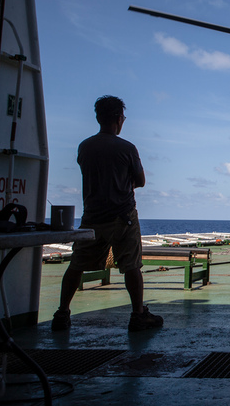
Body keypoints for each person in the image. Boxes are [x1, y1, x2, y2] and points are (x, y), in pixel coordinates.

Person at [51, 96, 163, 332]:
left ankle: (62, 313)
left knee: (76, 265)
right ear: (119, 119)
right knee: (132, 266)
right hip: (123, 216)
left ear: (98, 118)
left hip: (91, 217)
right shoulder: (127, 148)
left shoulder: (85, 146)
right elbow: (140, 181)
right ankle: (137, 314)